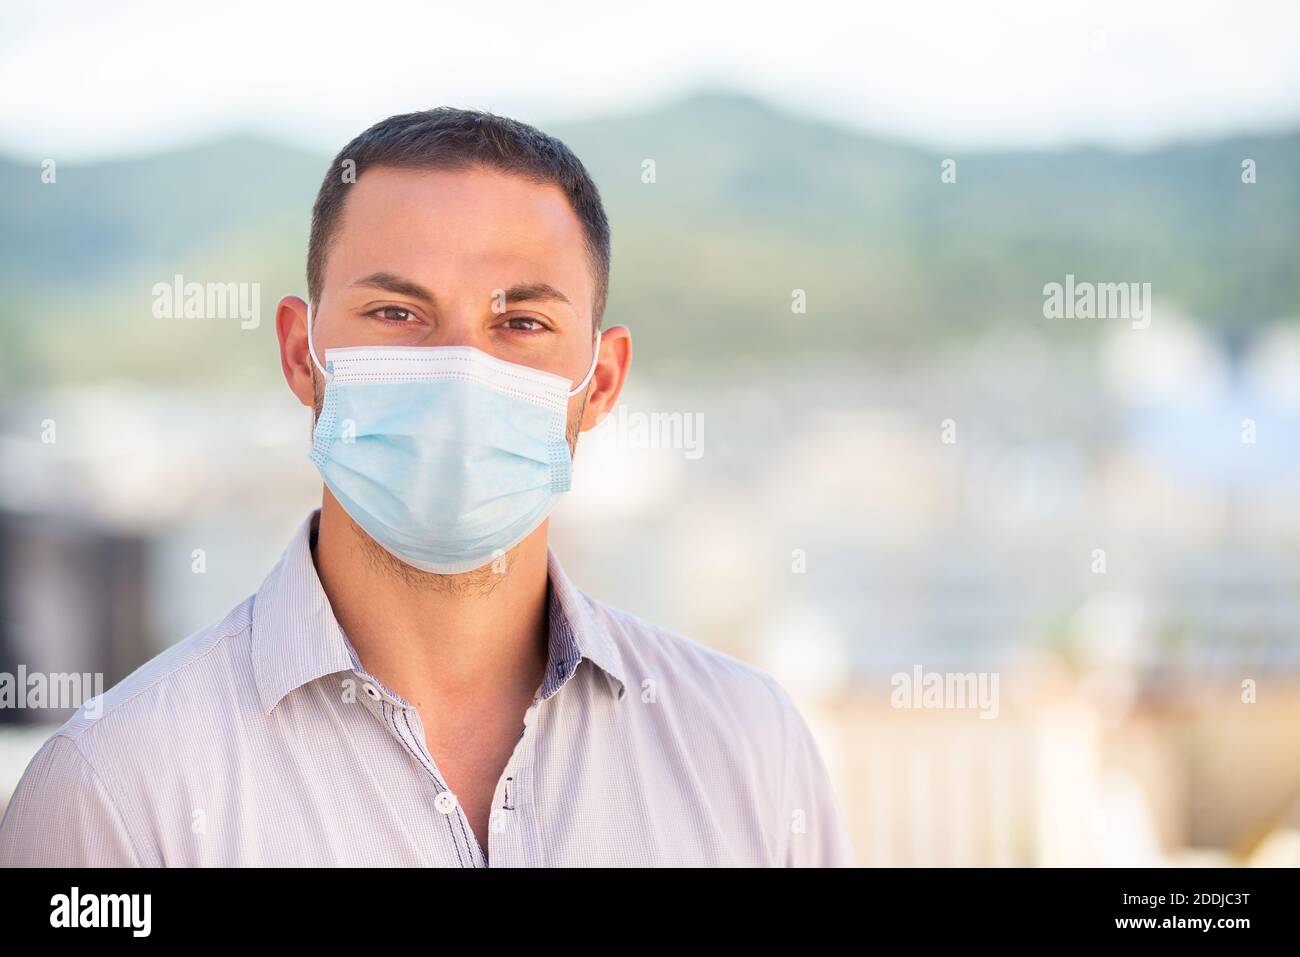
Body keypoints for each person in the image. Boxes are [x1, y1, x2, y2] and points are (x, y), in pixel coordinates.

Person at [0, 108, 854, 866]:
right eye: (398, 314)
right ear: (303, 354)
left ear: (600, 383)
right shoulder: (113, 787)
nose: (460, 371)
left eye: (522, 322)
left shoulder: (750, 747)